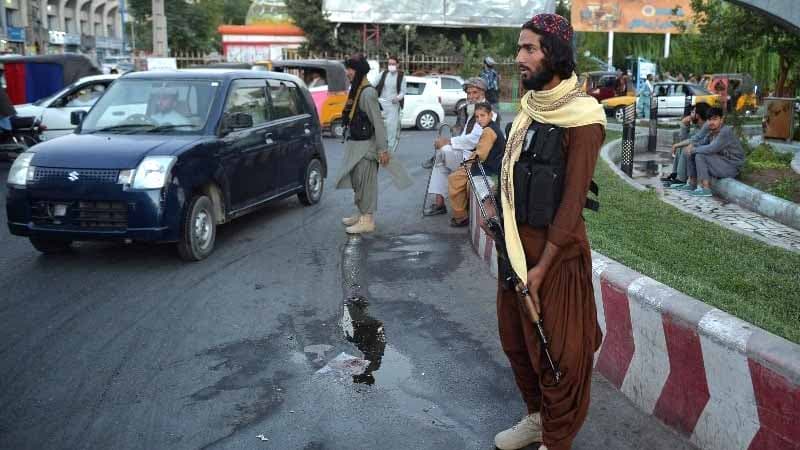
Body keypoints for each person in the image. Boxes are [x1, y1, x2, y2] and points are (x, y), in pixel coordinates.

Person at [485, 13, 606, 450]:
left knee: (561, 357)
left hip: (554, 259)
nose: (519, 57)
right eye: (519, 48)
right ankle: (537, 419)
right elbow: (514, 173)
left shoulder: (584, 116)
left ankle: (556, 440)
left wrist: (542, 268)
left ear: (553, 53)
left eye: (528, 49)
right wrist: (494, 205)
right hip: (514, 251)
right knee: (517, 344)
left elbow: (572, 204)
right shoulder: (530, 106)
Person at [335, 53, 412, 234]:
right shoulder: (357, 90)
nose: (347, 73)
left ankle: (367, 220)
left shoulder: (368, 93)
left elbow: (378, 123)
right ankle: (361, 213)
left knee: (365, 182)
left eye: (350, 69)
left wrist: (383, 149)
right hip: (356, 144)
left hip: (366, 147)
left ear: (359, 71)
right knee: (357, 181)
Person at [423, 77, 494, 216]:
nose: (471, 96)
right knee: (440, 162)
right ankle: (439, 204)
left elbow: (474, 140)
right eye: (469, 93)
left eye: (475, 93)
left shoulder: (487, 112)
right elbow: (461, 131)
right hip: (463, 152)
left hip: (477, 157)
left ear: (483, 92)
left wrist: (448, 142)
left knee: (443, 152)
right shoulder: (469, 109)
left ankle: (437, 158)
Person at [447, 102, 505, 227]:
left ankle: (460, 216)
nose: (479, 120)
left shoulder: (489, 131)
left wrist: (466, 163)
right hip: (489, 165)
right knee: (459, 177)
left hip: (486, 167)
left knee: (454, 179)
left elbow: (480, 154)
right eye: (477, 117)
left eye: (482, 116)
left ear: (490, 115)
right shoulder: (492, 128)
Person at [675, 107, 745, 197]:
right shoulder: (712, 131)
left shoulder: (725, 131)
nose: (711, 122)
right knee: (692, 153)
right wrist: (692, 147)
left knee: (700, 155)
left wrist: (694, 149)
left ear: (722, 119)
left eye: (715, 119)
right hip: (721, 163)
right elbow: (701, 142)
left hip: (732, 167)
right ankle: (692, 184)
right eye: (709, 119)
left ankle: (705, 188)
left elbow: (712, 148)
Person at [662, 102, 711, 186]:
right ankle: (675, 174)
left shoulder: (706, 127)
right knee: (681, 147)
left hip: (706, 153)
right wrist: (684, 125)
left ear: (698, 115)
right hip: (700, 150)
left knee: (686, 149)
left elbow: (692, 141)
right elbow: (684, 139)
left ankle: (681, 179)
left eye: (693, 112)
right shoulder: (697, 127)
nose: (690, 114)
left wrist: (676, 145)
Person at [375, 56, 406, 153]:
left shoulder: (401, 76)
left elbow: (403, 92)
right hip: (381, 103)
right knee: (379, 127)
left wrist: (397, 98)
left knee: (391, 127)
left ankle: (389, 151)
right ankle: (379, 148)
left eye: (393, 64)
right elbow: (373, 83)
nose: (391, 66)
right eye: (389, 64)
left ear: (397, 65)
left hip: (393, 105)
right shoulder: (383, 74)